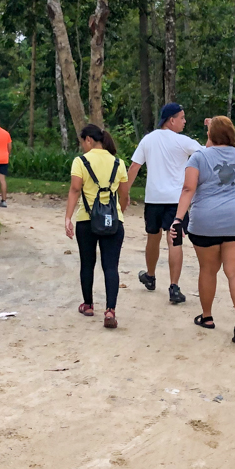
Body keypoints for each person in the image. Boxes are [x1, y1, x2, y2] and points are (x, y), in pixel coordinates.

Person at [169, 116, 235, 345]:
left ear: (210, 135)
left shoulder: (199, 157)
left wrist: (178, 219)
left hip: (206, 221)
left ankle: (207, 317)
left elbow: (188, 188)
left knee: (208, 269)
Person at [128, 102, 203, 305]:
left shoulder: (148, 139)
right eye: (182, 118)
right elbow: (206, 155)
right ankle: (174, 286)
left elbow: (135, 166)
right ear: (172, 120)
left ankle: (151, 276)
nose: (184, 121)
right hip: (176, 200)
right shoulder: (183, 142)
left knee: (153, 237)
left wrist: (124, 191)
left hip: (154, 198)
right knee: (174, 241)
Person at [64, 124, 130, 329]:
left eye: (82, 142)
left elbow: (75, 190)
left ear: (89, 140)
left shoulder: (80, 162)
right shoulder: (118, 163)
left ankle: (88, 304)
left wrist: (68, 217)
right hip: (113, 220)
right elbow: (124, 195)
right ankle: (110, 310)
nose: (82, 146)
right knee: (111, 266)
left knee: (87, 263)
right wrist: (118, 212)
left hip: (86, 219)